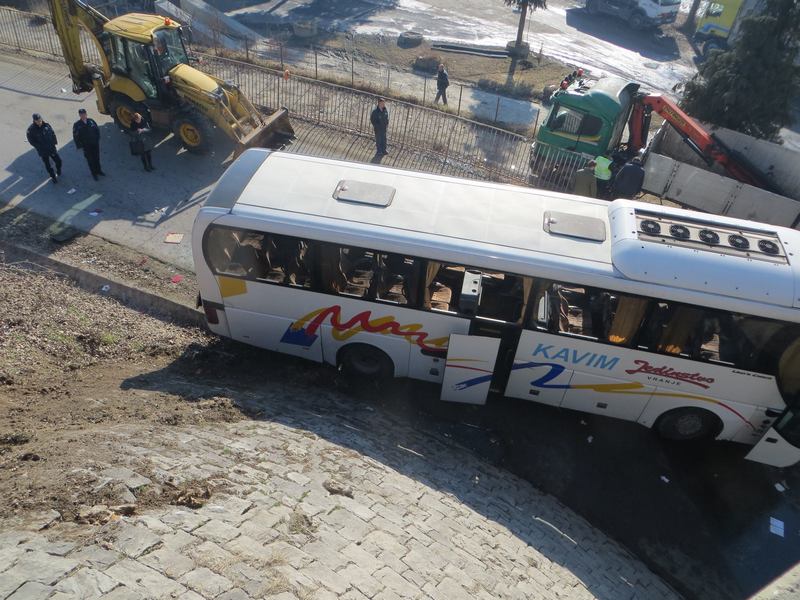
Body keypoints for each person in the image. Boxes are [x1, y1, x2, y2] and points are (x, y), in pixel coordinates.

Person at [26, 113, 61, 183]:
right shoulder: (31, 130)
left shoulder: (47, 125)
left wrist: (54, 142)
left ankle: (58, 170)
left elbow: (52, 133)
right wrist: (40, 147)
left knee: (59, 161)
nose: (39, 121)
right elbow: (32, 142)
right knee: (48, 165)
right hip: (43, 151)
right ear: (34, 121)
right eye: (37, 121)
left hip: (51, 148)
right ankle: (53, 176)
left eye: (40, 120)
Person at [72, 108, 104, 180]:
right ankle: (94, 174)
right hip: (86, 146)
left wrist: (97, 139)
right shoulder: (77, 125)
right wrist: (80, 146)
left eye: (84, 114)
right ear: (79, 115)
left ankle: (99, 171)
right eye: (81, 114)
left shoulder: (91, 121)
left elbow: (97, 130)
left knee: (97, 158)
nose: (83, 115)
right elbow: (75, 136)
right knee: (90, 160)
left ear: (86, 114)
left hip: (94, 144)